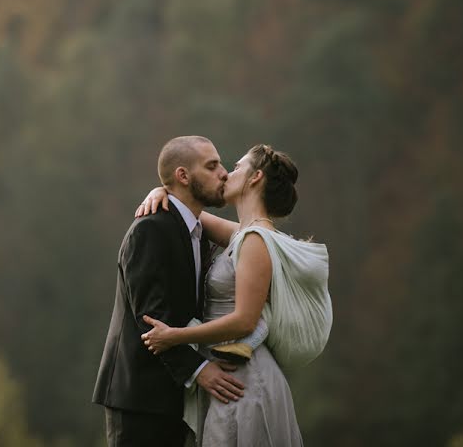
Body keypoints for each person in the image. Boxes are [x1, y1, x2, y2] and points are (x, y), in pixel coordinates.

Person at [137, 144, 332, 446]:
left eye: (237, 167)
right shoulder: (246, 234)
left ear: (254, 178)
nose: (227, 173)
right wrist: (161, 191)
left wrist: (174, 336)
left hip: (246, 380)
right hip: (232, 374)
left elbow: (244, 321)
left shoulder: (255, 239)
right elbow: (188, 214)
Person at [92, 136, 247, 447]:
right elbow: (149, 316)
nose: (224, 173)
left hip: (174, 396)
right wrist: (200, 370)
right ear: (183, 176)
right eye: (212, 166)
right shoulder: (150, 229)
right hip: (139, 398)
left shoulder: (197, 232)